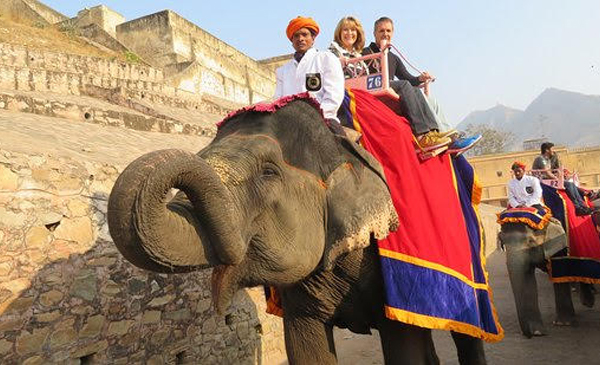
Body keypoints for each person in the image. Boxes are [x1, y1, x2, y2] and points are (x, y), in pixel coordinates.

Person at [362, 17, 480, 153]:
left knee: (430, 101)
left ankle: (445, 135)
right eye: (381, 30)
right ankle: (423, 135)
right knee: (405, 86)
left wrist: (420, 78)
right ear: (374, 33)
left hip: (394, 87)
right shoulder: (366, 53)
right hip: (377, 89)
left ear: (393, 33)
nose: (385, 34)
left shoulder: (393, 57)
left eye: (388, 31)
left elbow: (408, 78)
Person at [274, 16, 345, 135]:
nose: (300, 39)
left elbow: (334, 95)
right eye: (296, 36)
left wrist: (313, 119)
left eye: (304, 34)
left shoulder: (327, 58)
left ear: (313, 38)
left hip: (324, 120)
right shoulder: (282, 71)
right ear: (292, 41)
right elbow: (278, 101)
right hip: (289, 124)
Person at [532, 142, 597, 216]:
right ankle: (578, 207)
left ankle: (582, 206)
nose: (553, 151)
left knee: (571, 184)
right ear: (547, 150)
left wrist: (561, 175)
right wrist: (558, 178)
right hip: (544, 181)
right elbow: (547, 173)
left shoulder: (548, 159)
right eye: (552, 149)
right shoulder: (541, 159)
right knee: (569, 185)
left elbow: (554, 170)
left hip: (549, 179)